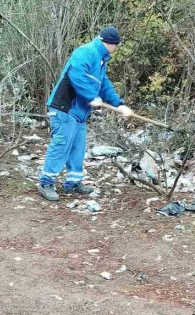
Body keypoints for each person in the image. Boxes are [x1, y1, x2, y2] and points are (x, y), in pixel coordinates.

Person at [37, 26, 133, 201]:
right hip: (65, 108)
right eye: (115, 45)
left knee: (77, 148)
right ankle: (46, 183)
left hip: (79, 113)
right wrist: (91, 96)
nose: (116, 49)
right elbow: (77, 75)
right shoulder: (86, 51)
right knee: (61, 146)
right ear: (110, 44)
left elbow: (104, 85)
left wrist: (119, 104)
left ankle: (72, 184)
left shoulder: (101, 61)